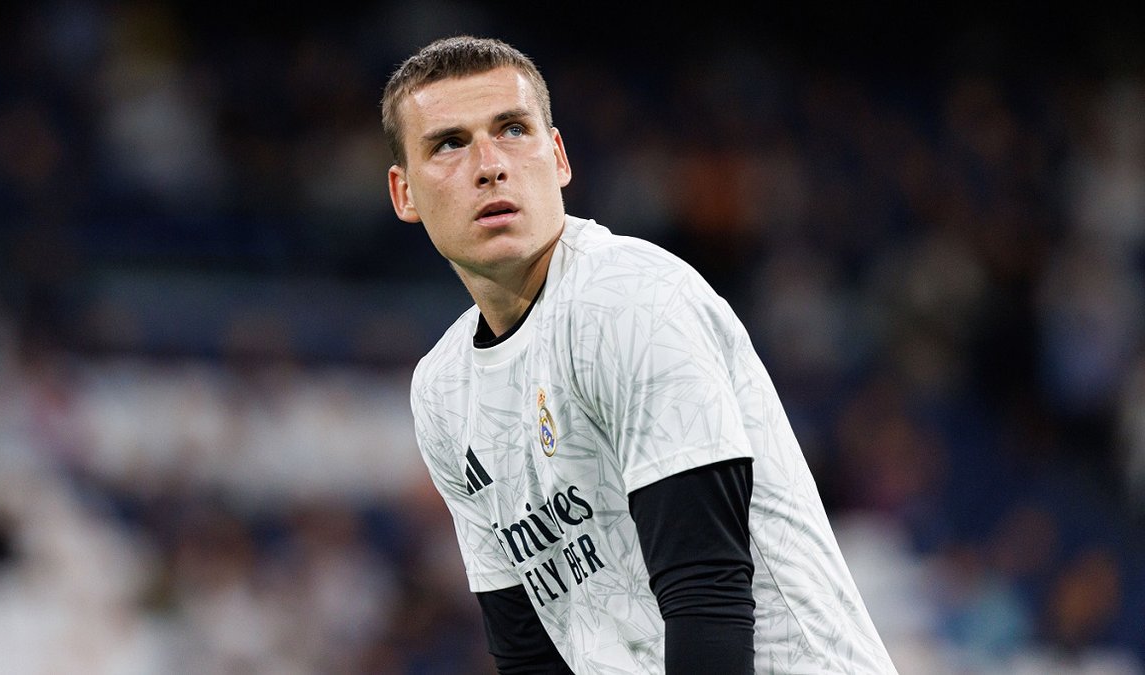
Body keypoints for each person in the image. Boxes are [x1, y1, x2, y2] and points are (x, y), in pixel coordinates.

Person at [383, 35, 898, 674]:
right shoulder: (443, 390)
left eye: (513, 130)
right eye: (449, 144)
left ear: (558, 157)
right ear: (405, 193)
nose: (489, 165)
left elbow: (706, 597)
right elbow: (530, 651)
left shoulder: (627, 296)